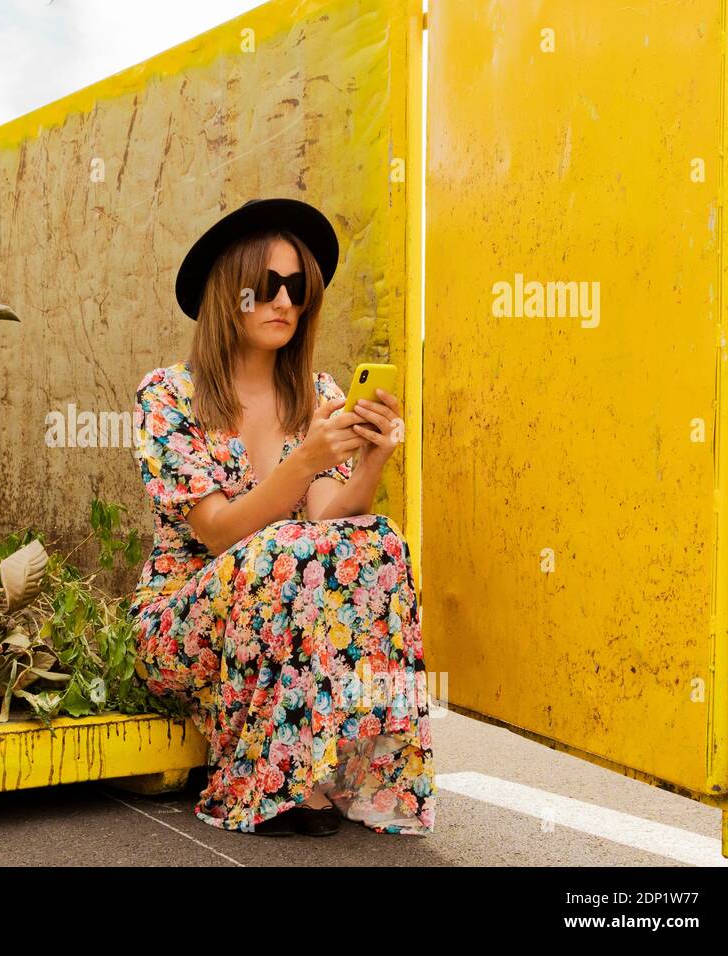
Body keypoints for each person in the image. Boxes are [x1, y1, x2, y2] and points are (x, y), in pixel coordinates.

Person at [128, 198, 436, 838]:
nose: (284, 303)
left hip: (282, 620)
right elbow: (216, 531)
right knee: (286, 548)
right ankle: (268, 785)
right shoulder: (168, 394)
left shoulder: (317, 397)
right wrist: (304, 462)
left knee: (379, 541)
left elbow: (332, 516)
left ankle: (363, 776)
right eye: (266, 287)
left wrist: (372, 458)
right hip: (183, 624)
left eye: (297, 289)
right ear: (228, 294)